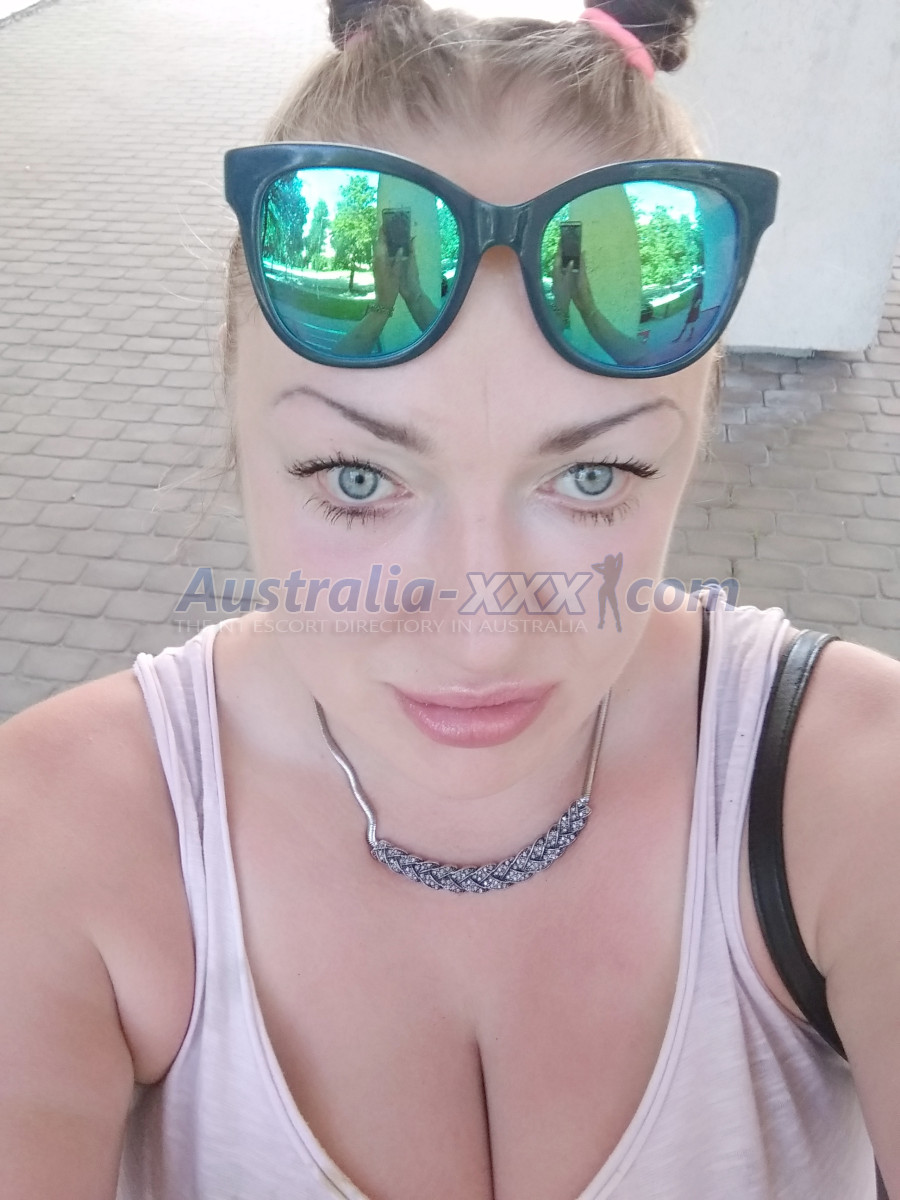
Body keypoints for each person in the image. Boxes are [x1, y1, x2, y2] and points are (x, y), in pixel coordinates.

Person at [1, 2, 898, 1198]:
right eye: (356, 478)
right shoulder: (56, 837)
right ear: (240, 428)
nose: (481, 637)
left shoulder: (851, 791)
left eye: (594, 478)